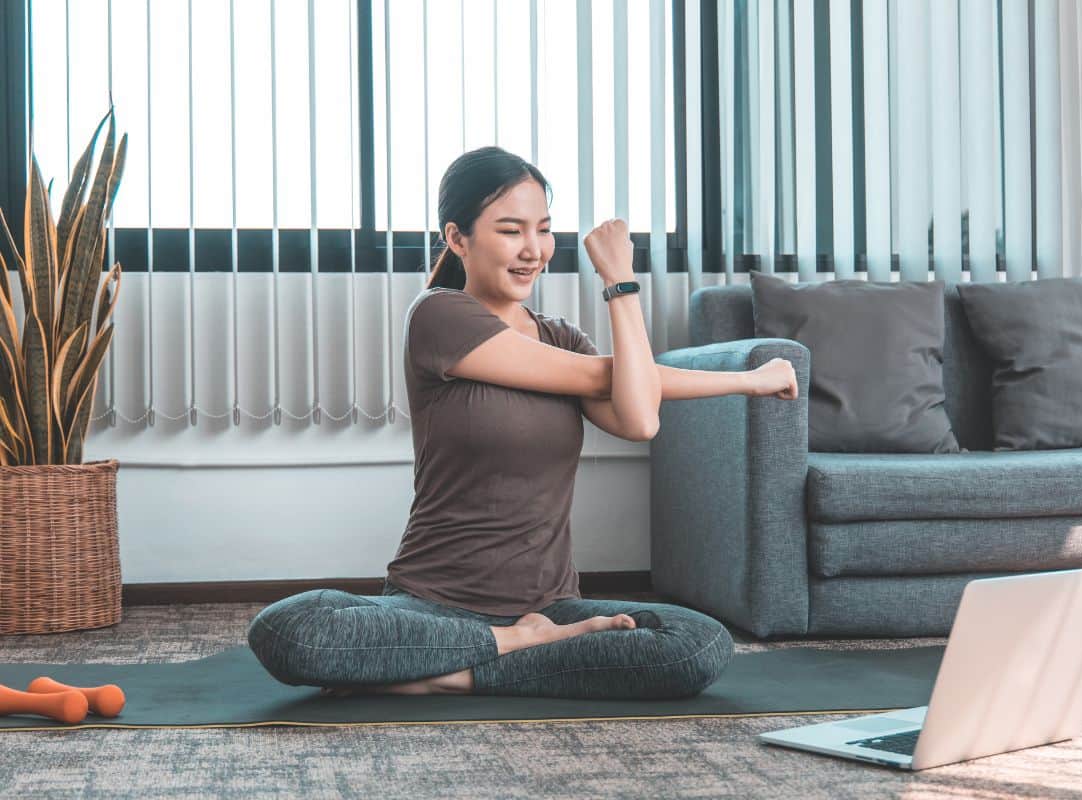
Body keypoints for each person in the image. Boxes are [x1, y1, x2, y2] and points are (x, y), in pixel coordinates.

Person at [246, 146, 800, 699]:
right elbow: (603, 376)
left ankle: (446, 672)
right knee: (291, 630)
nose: (533, 250)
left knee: (697, 643)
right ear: (457, 238)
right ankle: (514, 645)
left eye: (544, 229)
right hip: (432, 606)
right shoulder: (439, 315)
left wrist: (619, 280)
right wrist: (747, 380)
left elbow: (639, 419)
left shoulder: (561, 337)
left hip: (551, 607)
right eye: (511, 231)